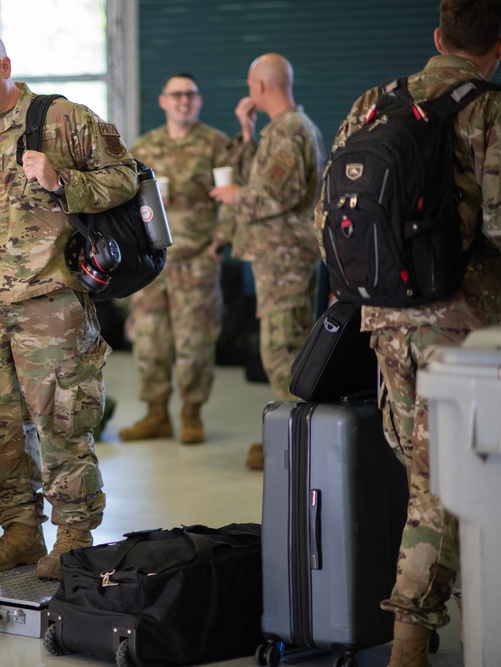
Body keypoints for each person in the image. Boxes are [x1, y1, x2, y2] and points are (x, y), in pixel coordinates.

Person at [315, 3, 501, 664]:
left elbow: (328, 210)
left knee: (424, 467)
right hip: (463, 331)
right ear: (495, 47)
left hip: (383, 314)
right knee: (443, 482)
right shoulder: (488, 110)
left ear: (437, 38)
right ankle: (410, 642)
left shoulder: (374, 102)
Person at [0, 29, 137, 580]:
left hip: (52, 303)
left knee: (62, 421)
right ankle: (20, 530)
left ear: (6, 66)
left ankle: (73, 534)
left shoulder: (61, 119)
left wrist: (63, 181)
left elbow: (126, 177)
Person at [210, 53, 324, 470]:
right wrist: (247, 131)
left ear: (259, 87)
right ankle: (288, 438)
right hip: (279, 260)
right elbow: (269, 178)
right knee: (282, 349)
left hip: (286, 260)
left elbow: (279, 194)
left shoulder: (292, 130)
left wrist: (234, 195)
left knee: (283, 351)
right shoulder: (282, 129)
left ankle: (293, 447)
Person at [119, 72, 228, 445]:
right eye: (176, 94)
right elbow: (127, 201)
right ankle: (156, 414)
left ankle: (191, 413)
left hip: (196, 259)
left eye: (191, 95)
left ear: (198, 101)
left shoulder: (216, 145)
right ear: (163, 101)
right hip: (152, 263)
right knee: (149, 340)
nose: (184, 100)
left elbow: (230, 195)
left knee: (195, 342)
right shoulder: (145, 147)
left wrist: (220, 243)